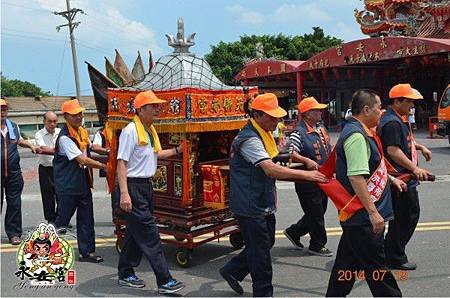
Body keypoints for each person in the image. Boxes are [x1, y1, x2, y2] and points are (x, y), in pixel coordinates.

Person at [219, 93, 328, 297]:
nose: (277, 121)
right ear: (258, 115)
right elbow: (269, 168)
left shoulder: (263, 133)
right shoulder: (249, 139)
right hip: (250, 204)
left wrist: (302, 162)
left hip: (261, 201)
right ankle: (263, 293)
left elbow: (276, 157)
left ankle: (232, 270)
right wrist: (306, 174)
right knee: (260, 254)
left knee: (266, 241)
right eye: (272, 117)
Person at [325, 89, 404, 296]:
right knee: (378, 272)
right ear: (366, 109)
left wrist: (391, 179)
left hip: (357, 218)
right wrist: (373, 212)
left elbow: (369, 168)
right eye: (379, 108)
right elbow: (356, 177)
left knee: (345, 268)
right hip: (363, 218)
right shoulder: (357, 136)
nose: (382, 112)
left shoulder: (360, 132)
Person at [116, 90, 185, 294]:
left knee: (135, 233)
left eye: (158, 105)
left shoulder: (149, 130)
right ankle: (165, 280)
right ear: (141, 109)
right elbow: (122, 162)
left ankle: (125, 273)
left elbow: (155, 155)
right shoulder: (131, 131)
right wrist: (124, 193)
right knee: (150, 234)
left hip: (145, 186)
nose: (158, 109)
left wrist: (177, 151)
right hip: (133, 186)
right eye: (153, 106)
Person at [378, 83, 432, 271]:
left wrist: (420, 147)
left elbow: (403, 142)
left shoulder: (397, 118)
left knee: (403, 217)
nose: (412, 106)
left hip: (403, 177)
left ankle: (390, 251)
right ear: (397, 101)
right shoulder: (392, 122)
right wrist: (414, 169)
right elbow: (393, 150)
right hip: (400, 178)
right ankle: (394, 256)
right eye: (409, 101)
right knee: (406, 217)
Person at [53, 99, 106, 262]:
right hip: (68, 184)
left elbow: (91, 148)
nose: (79, 117)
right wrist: (104, 166)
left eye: (80, 114)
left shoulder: (81, 132)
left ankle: (87, 252)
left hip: (82, 182)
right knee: (62, 221)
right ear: (66, 117)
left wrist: (111, 152)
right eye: (74, 115)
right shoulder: (65, 138)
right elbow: (82, 160)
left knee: (86, 219)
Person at [283, 97, 333, 257]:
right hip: (306, 180)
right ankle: (317, 244)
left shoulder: (319, 128)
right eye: (316, 110)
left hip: (322, 177)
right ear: (307, 114)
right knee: (315, 212)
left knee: (319, 209)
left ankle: (294, 231)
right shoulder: (299, 132)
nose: (320, 112)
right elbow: (291, 152)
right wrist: (306, 160)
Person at [1, 97, 39, 245]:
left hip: (13, 173)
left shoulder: (13, 126)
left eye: (4, 109)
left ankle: (14, 233)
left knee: (14, 204)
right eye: (0, 109)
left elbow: (19, 140)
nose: (2, 112)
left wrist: (30, 145)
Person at [35, 111, 61, 224]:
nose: (52, 124)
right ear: (44, 121)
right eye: (49, 121)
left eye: (55, 121)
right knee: (47, 196)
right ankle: (51, 220)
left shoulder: (61, 132)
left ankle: (61, 219)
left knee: (62, 195)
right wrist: (60, 151)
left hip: (60, 168)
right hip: (46, 169)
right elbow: (43, 149)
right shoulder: (39, 134)